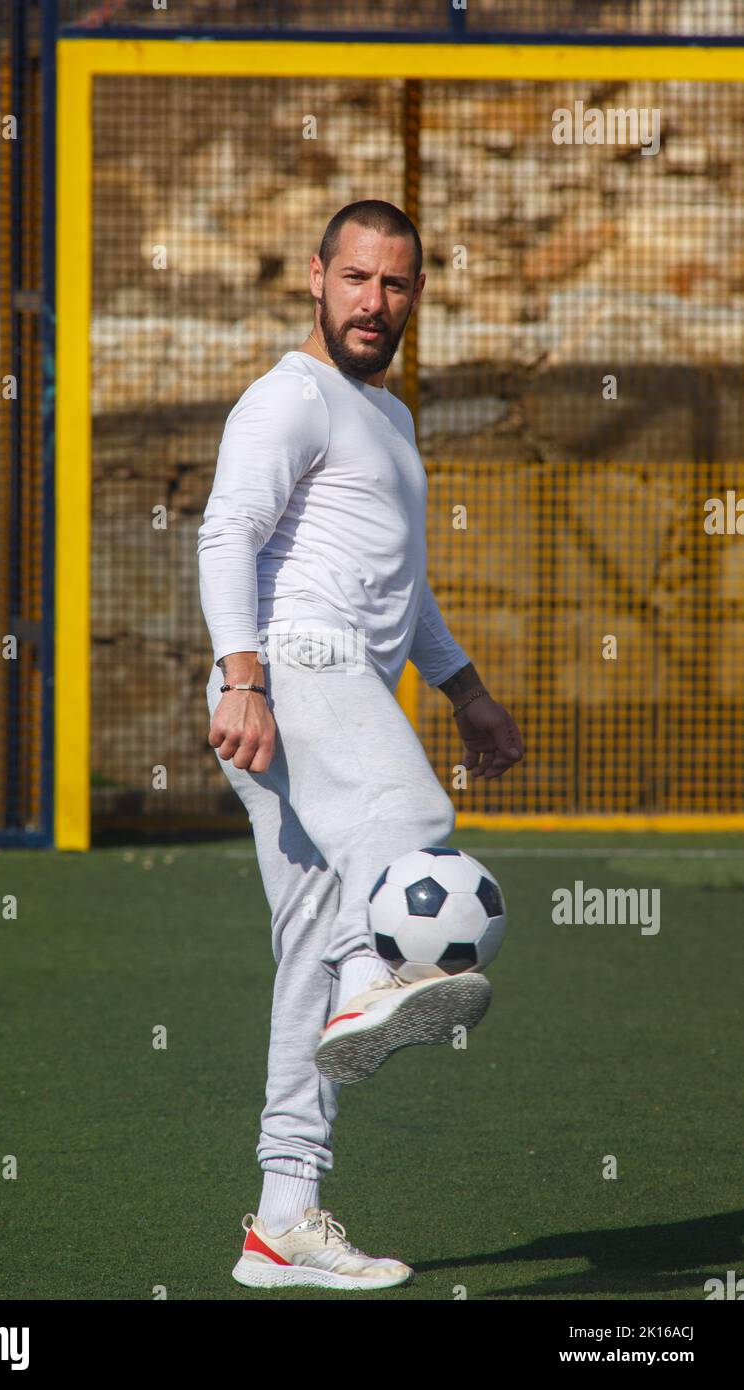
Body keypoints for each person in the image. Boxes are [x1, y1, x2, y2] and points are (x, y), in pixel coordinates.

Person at [197, 199, 524, 1291]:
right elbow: (226, 533)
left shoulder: (386, 418)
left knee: (305, 951)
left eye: (393, 284)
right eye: (354, 279)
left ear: (414, 295)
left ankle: (280, 1218)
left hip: (328, 683)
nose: (372, 302)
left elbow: (405, 585)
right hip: (295, 666)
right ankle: (375, 974)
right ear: (314, 277)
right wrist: (243, 676)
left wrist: (465, 688)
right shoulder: (287, 399)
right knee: (417, 826)